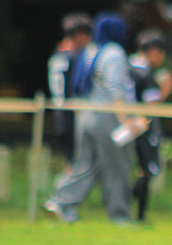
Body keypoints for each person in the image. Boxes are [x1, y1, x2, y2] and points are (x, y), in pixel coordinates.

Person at [44, 12, 135, 224]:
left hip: (85, 114)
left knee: (84, 165)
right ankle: (119, 215)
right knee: (116, 166)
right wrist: (126, 118)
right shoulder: (114, 52)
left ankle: (60, 203)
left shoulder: (90, 51)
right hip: (107, 115)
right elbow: (116, 88)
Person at [129, 28, 172, 222]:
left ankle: (127, 206)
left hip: (125, 122)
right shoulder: (145, 73)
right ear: (154, 51)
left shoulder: (126, 65)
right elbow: (153, 105)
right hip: (142, 126)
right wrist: (166, 90)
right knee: (147, 169)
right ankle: (138, 214)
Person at [47, 12, 94, 164]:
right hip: (72, 112)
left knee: (71, 160)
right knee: (77, 163)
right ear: (80, 36)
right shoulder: (74, 58)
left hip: (60, 111)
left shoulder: (58, 54)